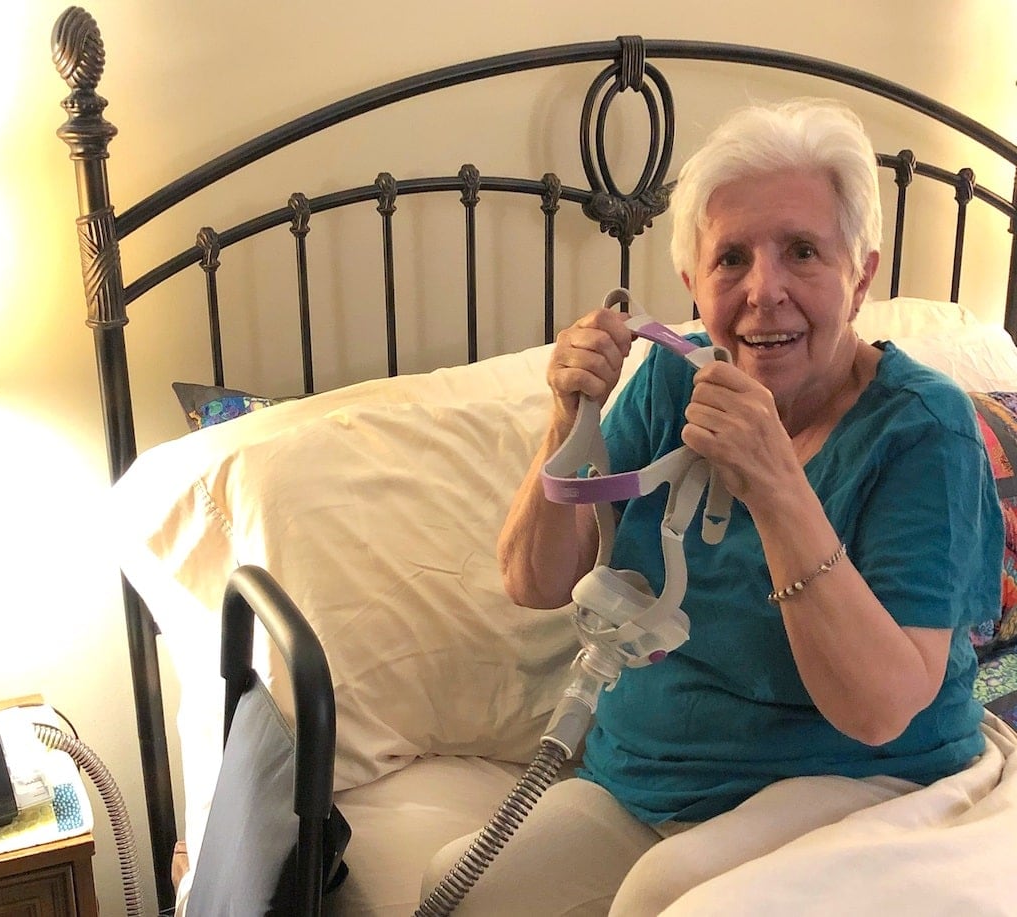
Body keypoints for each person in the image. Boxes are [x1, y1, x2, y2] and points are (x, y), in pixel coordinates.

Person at [421, 98, 1003, 915]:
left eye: (803, 251)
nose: (766, 291)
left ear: (861, 273)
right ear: (694, 283)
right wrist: (568, 416)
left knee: (666, 899)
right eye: (732, 258)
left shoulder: (924, 428)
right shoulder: (671, 380)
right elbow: (534, 580)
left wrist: (776, 484)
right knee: (462, 884)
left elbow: (879, 709)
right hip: (649, 774)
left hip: (860, 771)